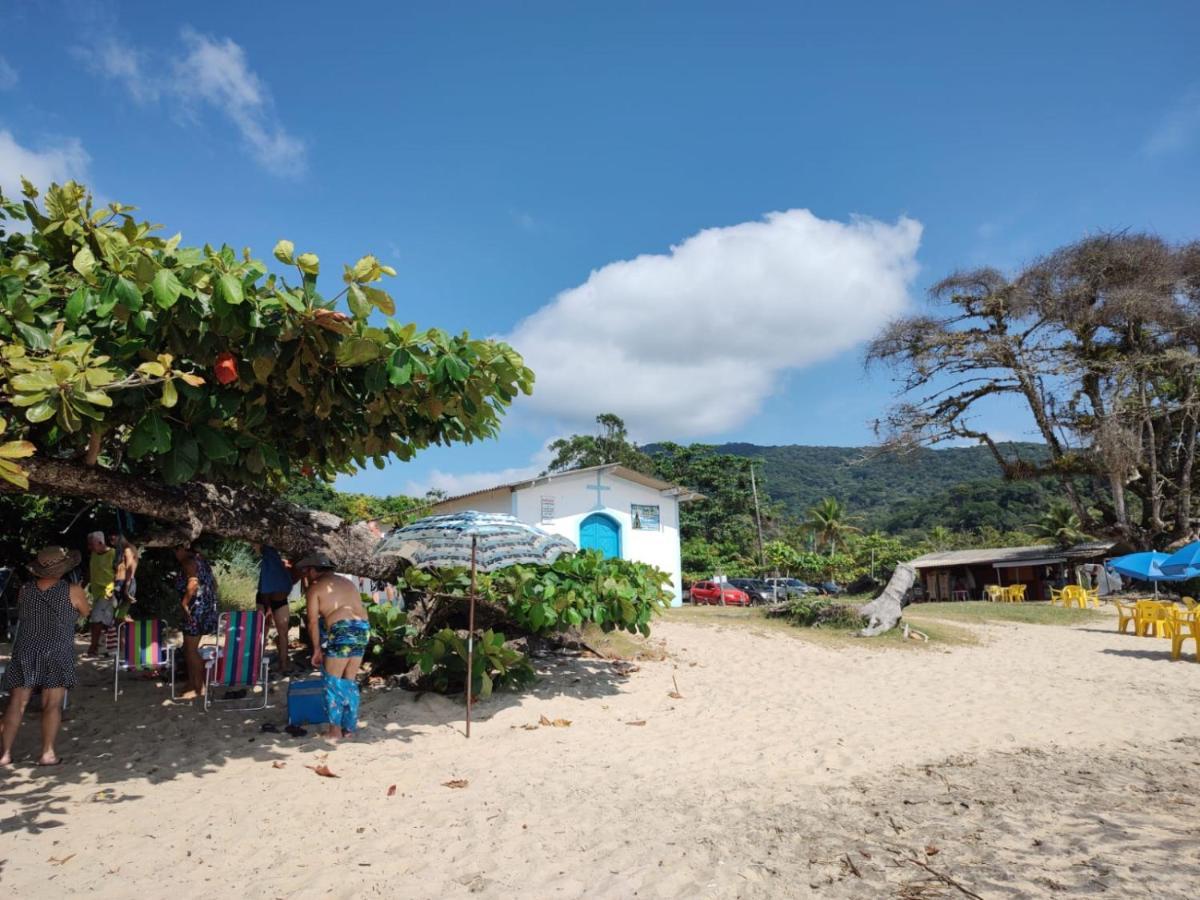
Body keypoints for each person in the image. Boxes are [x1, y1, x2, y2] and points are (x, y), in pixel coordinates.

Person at [0, 546, 91, 766]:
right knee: (52, 704)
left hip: (26, 649)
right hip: (56, 651)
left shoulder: (25, 590)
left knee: (16, 704)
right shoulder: (72, 590)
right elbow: (85, 612)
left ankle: (4, 754)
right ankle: (47, 753)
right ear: (63, 568)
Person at [295, 551, 369, 741]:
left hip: (342, 629)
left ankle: (335, 731)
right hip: (362, 627)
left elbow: (312, 622)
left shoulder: (316, 588)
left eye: (306, 571)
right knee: (349, 681)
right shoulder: (347, 582)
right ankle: (350, 728)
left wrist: (317, 649)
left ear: (312, 570)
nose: (305, 575)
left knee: (332, 682)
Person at [173, 543, 219, 700]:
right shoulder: (200, 559)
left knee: (191, 650)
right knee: (188, 648)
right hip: (205, 609)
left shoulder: (188, 562)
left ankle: (199, 686)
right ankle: (193, 683)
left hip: (195, 611)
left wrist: (184, 603)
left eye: (176, 549)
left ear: (183, 549)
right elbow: (214, 583)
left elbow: (192, 584)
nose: (175, 553)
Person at [254, 544, 294, 676]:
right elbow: (287, 587)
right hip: (278, 598)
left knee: (262, 633)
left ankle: (257, 666)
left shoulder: (268, 563)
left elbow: (265, 589)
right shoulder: (280, 565)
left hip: (266, 599)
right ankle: (283, 664)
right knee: (281, 634)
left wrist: (267, 608)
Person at [85, 531, 116, 657]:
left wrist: (115, 589)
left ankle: (93, 647)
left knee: (96, 618)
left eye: (91, 545)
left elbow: (120, 572)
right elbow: (91, 570)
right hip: (97, 592)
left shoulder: (113, 554)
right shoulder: (94, 553)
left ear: (100, 543)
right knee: (107, 621)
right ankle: (112, 648)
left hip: (108, 591)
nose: (89, 547)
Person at [109, 532, 139, 614]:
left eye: (112, 540)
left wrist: (125, 590)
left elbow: (129, 570)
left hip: (125, 584)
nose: (112, 543)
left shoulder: (128, 550)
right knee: (113, 613)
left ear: (119, 537)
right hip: (121, 583)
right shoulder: (124, 549)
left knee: (117, 613)